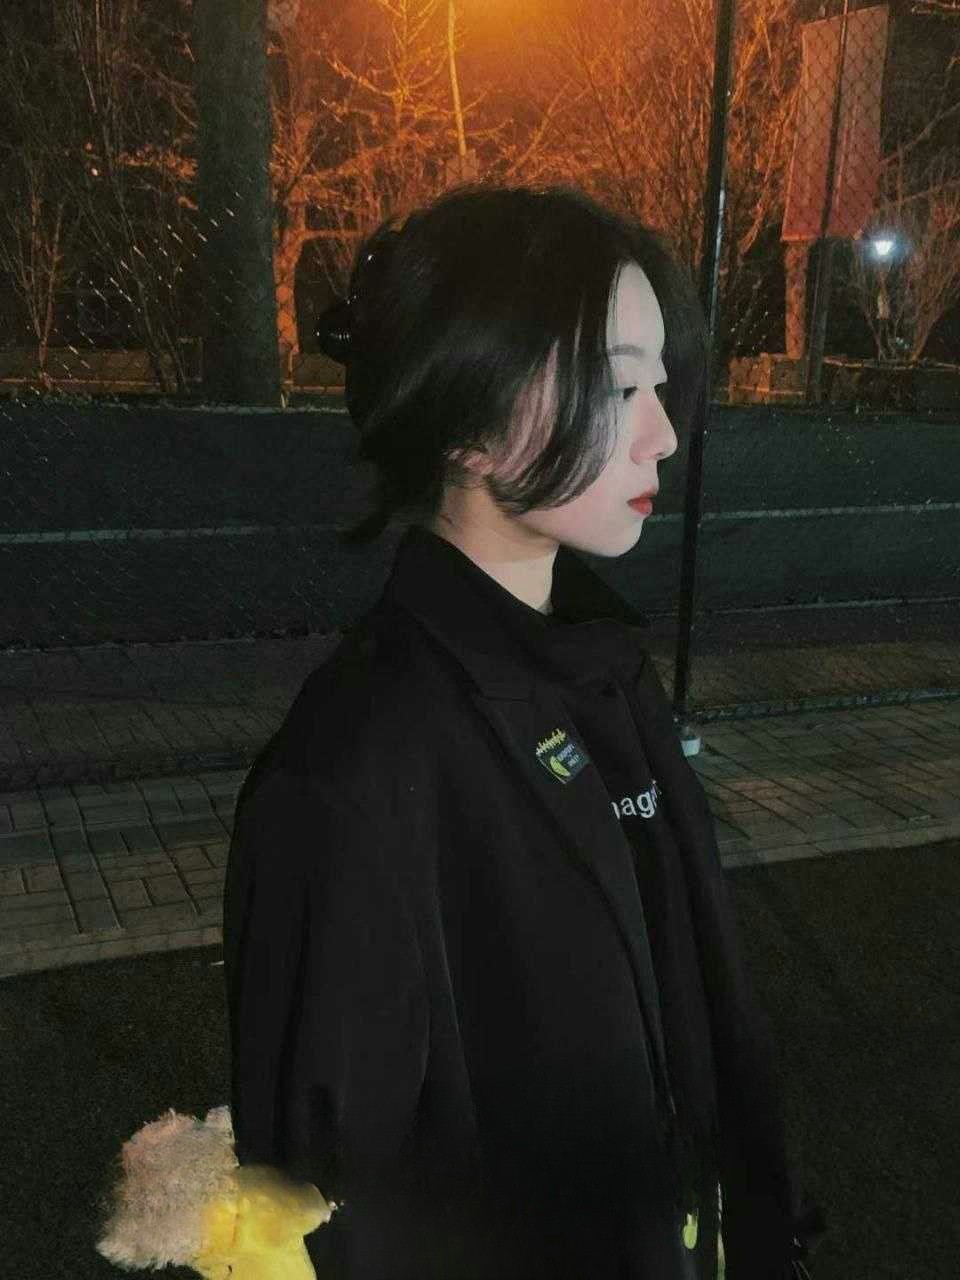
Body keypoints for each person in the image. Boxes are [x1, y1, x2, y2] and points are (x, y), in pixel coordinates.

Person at [222, 184, 827, 1280]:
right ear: (466, 417)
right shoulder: (356, 772)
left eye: (659, 383)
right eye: (618, 385)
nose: (663, 433)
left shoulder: (603, 672)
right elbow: (320, 1208)